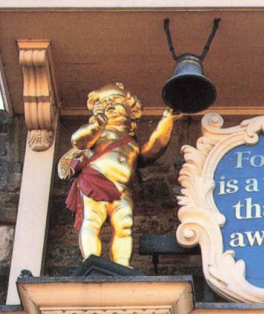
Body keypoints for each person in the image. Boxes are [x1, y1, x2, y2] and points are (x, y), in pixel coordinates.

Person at [58, 82, 179, 266]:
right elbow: (78, 140)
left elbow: (153, 149)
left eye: (116, 100)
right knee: (91, 221)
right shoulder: (98, 133)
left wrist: (167, 119)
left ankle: (122, 264)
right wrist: (97, 125)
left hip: (123, 190)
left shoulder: (131, 143)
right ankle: (91, 260)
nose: (110, 105)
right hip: (95, 181)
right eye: (104, 102)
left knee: (125, 225)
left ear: (132, 110)